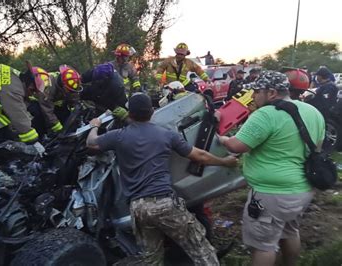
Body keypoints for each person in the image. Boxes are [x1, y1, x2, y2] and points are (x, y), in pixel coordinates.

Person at [86, 93, 238, 265]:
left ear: (129, 113)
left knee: (152, 258)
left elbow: (91, 144)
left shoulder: (118, 136)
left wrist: (94, 126)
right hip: (164, 203)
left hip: (138, 209)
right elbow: (200, 155)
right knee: (201, 249)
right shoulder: (166, 135)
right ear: (151, 112)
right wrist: (225, 161)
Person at [218, 71, 325, 266]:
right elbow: (317, 148)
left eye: (257, 91)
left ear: (272, 92)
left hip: (271, 194)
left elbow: (237, 146)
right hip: (302, 190)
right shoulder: (312, 112)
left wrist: (223, 139)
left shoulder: (266, 114)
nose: (254, 96)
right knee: (290, 231)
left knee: (263, 245)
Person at [28, 65, 82, 134]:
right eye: (69, 90)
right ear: (63, 85)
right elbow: (47, 110)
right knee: (40, 115)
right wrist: (59, 129)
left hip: (51, 102)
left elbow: (73, 99)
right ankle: (40, 134)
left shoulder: (70, 83)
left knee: (64, 113)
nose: (70, 92)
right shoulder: (48, 86)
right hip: (34, 100)